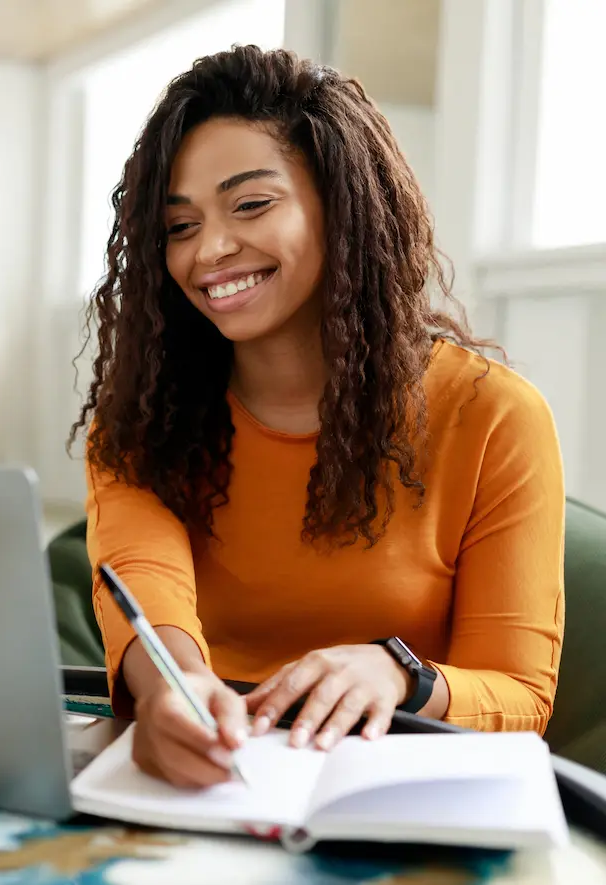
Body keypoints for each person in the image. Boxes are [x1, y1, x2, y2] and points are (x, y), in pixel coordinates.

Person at [69, 45, 565, 791]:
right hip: (203, 784)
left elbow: (521, 696)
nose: (211, 249)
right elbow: (146, 585)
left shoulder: (494, 415)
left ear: (344, 201)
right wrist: (171, 685)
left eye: (251, 204)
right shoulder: (142, 417)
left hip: (399, 793)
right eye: (179, 226)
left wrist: (400, 675)